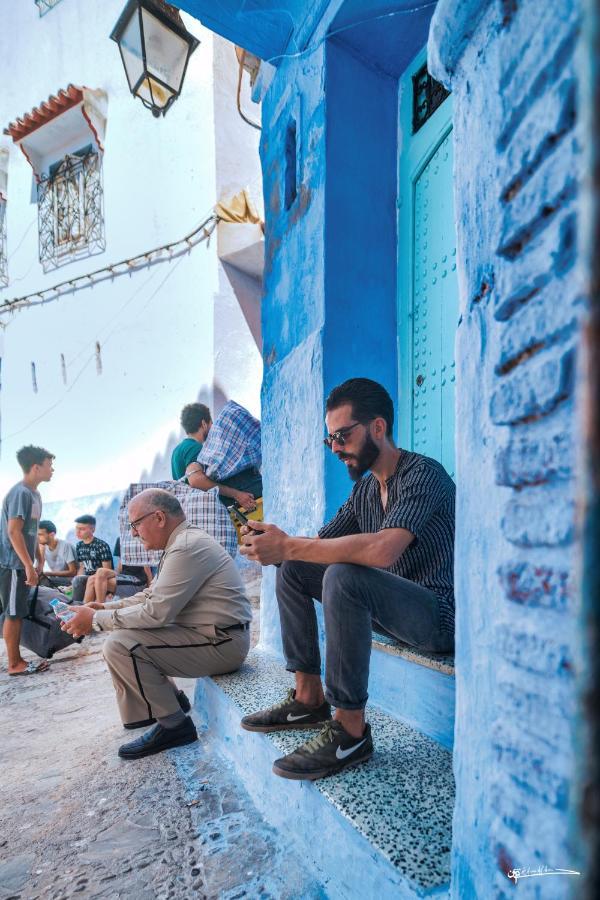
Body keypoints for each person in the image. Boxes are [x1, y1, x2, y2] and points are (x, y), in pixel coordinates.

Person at [239, 378, 455, 781]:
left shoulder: (423, 474)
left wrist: (290, 546)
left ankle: (351, 732)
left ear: (377, 428)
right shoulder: (366, 492)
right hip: (390, 610)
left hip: (437, 618)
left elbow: (382, 550)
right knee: (295, 568)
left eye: (342, 436)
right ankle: (308, 698)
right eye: (329, 440)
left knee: (341, 574)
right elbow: (319, 544)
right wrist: (276, 543)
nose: (335, 448)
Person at [61, 488, 252, 760]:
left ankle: (174, 726)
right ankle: (173, 701)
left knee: (122, 644)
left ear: (159, 518)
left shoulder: (186, 546)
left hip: (222, 643)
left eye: (136, 524)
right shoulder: (181, 542)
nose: (135, 533)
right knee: (127, 633)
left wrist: (94, 620)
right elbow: (151, 595)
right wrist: (103, 607)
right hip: (212, 636)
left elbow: (155, 613)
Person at [0, 445, 54, 676]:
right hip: (12, 564)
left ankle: (17, 660)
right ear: (36, 467)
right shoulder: (20, 493)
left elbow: (31, 530)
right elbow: (14, 532)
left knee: (18, 610)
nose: (53, 470)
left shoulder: (35, 494)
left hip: (23, 562)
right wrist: (26, 565)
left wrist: (39, 557)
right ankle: (14, 664)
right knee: (13, 612)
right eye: (49, 466)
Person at [185, 400, 261, 511]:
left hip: (227, 498)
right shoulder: (195, 448)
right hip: (243, 487)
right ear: (204, 424)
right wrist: (237, 494)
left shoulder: (177, 453)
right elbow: (195, 479)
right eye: (212, 425)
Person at [81, 537, 152, 606]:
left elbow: (147, 567)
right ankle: (84, 611)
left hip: (138, 581)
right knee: (92, 579)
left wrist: (150, 590)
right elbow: (121, 563)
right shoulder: (121, 539)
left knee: (100, 571)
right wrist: (109, 589)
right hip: (125, 577)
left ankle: (100, 607)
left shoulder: (141, 538)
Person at [70, 515, 113, 603]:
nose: (78, 532)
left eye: (82, 529)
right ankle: (77, 605)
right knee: (76, 580)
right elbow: (82, 567)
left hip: (100, 578)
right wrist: (73, 583)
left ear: (92, 529)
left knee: (82, 580)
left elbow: (107, 570)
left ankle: (81, 607)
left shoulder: (101, 545)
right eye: (77, 528)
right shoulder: (79, 545)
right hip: (86, 577)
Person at [171, 402, 212, 480]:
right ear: (204, 424)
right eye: (211, 423)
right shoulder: (196, 448)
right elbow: (197, 481)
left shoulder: (176, 450)